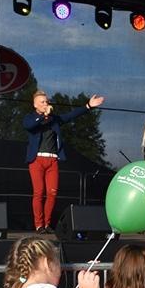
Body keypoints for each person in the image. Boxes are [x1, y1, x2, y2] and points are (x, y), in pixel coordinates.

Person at [23, 91, 105, 233]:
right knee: (39, 192)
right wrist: (43, 115)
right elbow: (29, 126)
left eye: (46, 101)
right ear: (35, 105)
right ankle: (39, 225)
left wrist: (88, 106)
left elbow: (70, 115)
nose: (45, 104)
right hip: (37, 160)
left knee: (52, 193)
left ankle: (47, 224)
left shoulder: (54, 119)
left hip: (52, 159)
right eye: (42, 102)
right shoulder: (30, 118)